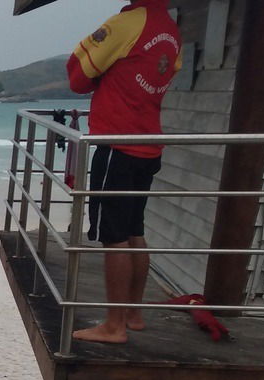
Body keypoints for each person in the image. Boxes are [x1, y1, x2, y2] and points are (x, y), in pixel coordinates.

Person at [68, 0, 181, 344]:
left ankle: (114, 325)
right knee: (134, 230)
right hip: (148, 143)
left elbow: (77, 77)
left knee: (112, 235)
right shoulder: (171, 30)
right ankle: (133, 313)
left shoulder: (126, 24)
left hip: (117, 144)